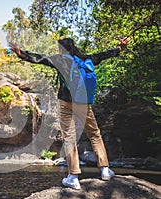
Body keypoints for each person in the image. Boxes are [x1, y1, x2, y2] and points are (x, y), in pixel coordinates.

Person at [10, 37, 130, 190]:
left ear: (61, 49)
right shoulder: (85, 59)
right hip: (83, 102)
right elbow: (102, 55)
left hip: (65, 102)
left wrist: (21, 53)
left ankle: (73, 177)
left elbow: (39, 58)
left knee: (69, 137)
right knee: (94, 134)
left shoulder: (59, 60)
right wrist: (119, 49)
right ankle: (105, 169)